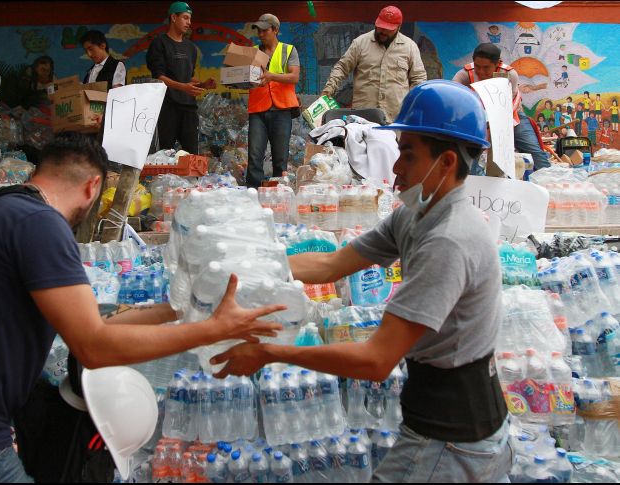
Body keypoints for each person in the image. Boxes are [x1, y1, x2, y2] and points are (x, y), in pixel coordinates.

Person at [0, 132, 283, 483]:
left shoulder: (7, 208)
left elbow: (92, 319)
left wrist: (184, 307)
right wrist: (213, 330)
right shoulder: (40, 225)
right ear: (93, 186)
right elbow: (94, 346)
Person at [210, 80, 511, 483]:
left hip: (453, 438)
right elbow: (332, 265)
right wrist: (247, 267)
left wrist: (272, 354)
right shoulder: (417, 213)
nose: (396, 167)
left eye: (407, 155)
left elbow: (375, 360)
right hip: (438, 424)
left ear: (447, 164)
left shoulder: (450, 240)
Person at [320, 5, 427, 123]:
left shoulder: (410, 47)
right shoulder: (360, 43)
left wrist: (410, 105)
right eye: (381, 27)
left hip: (395, 118)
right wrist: (328, 90)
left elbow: (419, 79)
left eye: (388, 29)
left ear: (398, 27)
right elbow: (341, 68)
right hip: (363, 117)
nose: (383, 31)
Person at [452, 42, 550, 170]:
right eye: (477, 66)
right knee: (470, 155)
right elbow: (453, 95)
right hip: (477, 118)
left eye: (486, 67)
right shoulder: (465, 74)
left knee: (534, 151)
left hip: (511, 116)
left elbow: (509, 106)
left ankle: (548, 180)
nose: (481, 72)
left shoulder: (510, 74)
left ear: (498, 63)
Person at [147, 1, 213, 154]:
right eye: (185, 18)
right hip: (167, 107)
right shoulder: (159, 43)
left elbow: (188, 78)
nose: (189, 22)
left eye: (190, 19)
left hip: (189, 109)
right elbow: (159, 77)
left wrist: (202, 85)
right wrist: (184, 87)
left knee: (192, 154)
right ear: (173, 17)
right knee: (164, 154)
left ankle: (191, 179)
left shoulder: (191, 48)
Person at [245, 13, 300, 188]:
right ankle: (253, 194)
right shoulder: (252, 52)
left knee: (280, 158)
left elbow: (294, 77)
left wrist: (271, 76)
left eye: (264, 30)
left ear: (275, 30)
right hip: (258, 110)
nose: (260, 34)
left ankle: (277, 196)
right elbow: (246, 79)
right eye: (258, 31)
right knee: (254, 156)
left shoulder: (288, 50)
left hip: (281, 109)